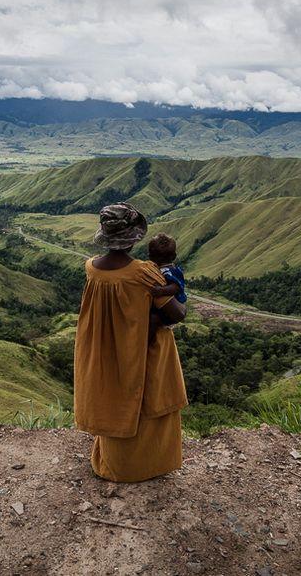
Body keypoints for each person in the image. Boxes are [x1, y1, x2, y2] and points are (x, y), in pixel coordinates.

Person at [73, 202, 189, 483]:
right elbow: (177, 313)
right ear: (135, 237)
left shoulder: (91, 268)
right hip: (144, 349)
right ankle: (146, 466)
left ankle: (113, 464)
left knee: (115, 399)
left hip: (107, 348)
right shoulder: (143, 273)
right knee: (147, 402)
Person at [147, 233, 187, 326]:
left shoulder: (171, 271)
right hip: (169, 307)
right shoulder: (163, 269)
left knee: (153, 320)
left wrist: (161, 291)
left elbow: (176, 287)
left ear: (150, 256)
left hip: (172, 309)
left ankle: (147, 339)